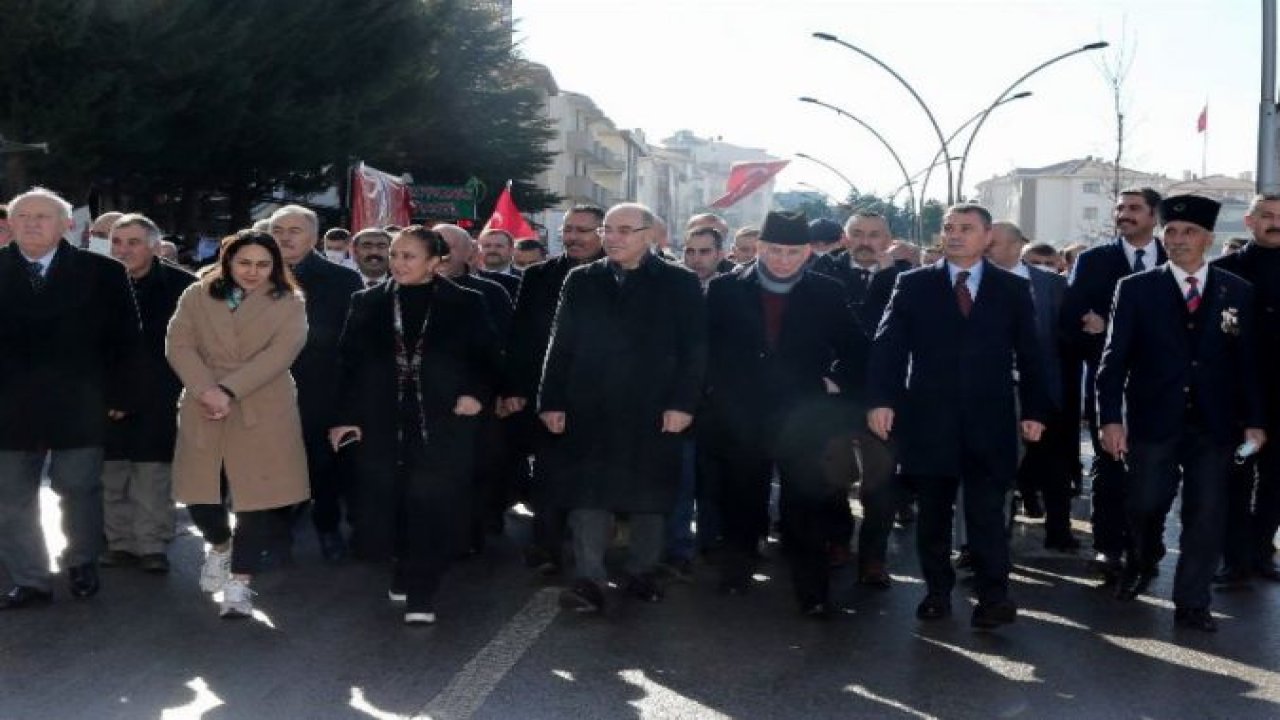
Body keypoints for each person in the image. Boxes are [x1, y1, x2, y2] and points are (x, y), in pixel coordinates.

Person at [867, 203, 1048, 630]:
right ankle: (937, 592)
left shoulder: (1011, 289)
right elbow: (888, 346)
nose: (954, 235)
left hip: (992, 419)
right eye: (949, 228)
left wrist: (1036, 410)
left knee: (988, 512)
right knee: (934, 513)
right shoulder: (913, 285)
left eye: (966, 228)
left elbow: (1032, 354)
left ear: (987, 237)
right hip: (930, 418)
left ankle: (993, 596)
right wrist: (880, 400)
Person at [1096, 195, 1264, 632]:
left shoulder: (1236, 291)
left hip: (1215, 424)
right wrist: (1110, 418)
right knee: (1145, 502)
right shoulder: (1135, 289)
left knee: (1207, 513)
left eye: (1189, 232)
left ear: (1208, 239)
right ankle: (1143, 553)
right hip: (1154, 419)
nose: (1179, 239)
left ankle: (1192, 602)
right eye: (1171, 231)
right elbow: (1114, 359)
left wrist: (1255, 420)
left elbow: (1248, 362)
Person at [540, 202, 706, 613]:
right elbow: (561, 343)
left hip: (654, 407)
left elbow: (695, 351)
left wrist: (684, 403)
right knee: (588, 495)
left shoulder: (679, 283)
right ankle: (588, 579)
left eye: (624, 230)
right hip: (589, 405)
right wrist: (551, 400)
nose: (612, 238)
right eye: (607, 230)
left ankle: (642, 572)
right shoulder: (582, 280)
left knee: (649, 495)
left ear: (651, 235)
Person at [330, 226, 499, 625]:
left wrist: (475, 393)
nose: (398, 263)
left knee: (430, 504)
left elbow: (488, 357)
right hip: (382, 421)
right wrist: (344, 418)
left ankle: (422, 589)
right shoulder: (367, 301)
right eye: (395, 255)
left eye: (409, 256)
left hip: (443, 421)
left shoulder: (466, 302)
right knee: (389, 504)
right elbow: (347, 365)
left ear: (435, 261)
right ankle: (403, 568)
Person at [703, 210, 866, 615]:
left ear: (807, 252)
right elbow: (701, 347)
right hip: (740, 415)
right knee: (740, 498)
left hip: (803, 418)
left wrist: (837, 382)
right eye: (775, 250)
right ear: (759, 247)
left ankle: (813, 593)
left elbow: (857, 349)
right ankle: (735, 577)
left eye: (793, 252)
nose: (783, 259)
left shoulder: (826, 291)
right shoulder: (725, 289)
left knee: (807, 504)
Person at [0, 187, 141, 610]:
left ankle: (81, 560)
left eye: (43, 216)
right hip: (8, 407)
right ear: (10, 223)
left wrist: (122, 395)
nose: (31, 223)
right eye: (23, 215)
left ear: (67, 225)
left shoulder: (103, 272)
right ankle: (30, 580)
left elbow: (126, 341)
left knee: (78, 488)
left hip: (80, 402)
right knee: (9, 498)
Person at [166, 230, 309, 618]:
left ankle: (240, 583)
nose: (253, 272)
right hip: (203, 400)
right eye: (244, 262)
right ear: (228, 260)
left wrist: (229, 390)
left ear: (275, 267)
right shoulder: (197, 294)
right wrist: (206, 389)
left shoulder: (290, 302)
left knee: (256, 500)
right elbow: (179, 344)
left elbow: (281, 354)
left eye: (263, 265)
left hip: (263, 404)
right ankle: (219, 544)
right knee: (200, 496)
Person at [1062, 187, 1167, 583]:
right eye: (1120, 208)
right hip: (1109, 381)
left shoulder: (1174, 258)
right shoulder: (1094, 261)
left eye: (1135, 208)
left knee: (1156, 468)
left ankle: (1148, 546)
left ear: (1154, 215)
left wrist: (1114, 326)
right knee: (1110, 465)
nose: (1125, 214)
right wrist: (1102, 334)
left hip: (1162, 386)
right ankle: (1108, 547)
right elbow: (1071, 317)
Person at [503, 204, 606, 575]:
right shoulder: (538, 276)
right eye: (569, 229)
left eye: (584, 230)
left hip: (604, 398)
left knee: (596, 478)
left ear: (604, 232)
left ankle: (593, 553)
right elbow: (519, 337)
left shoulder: (620, 274)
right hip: (549, 393)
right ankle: (546, 547)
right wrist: (512, 387)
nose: (574, 237)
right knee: (549, 474)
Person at [100, 214, 198, 574]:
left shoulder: (184, 286)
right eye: (117, 242)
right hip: (107, 397)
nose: (123, 250)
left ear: (155, 246)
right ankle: (119, 543)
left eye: (133, 242)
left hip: (160, 395)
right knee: (113, 475)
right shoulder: (100, 281)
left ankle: (152, 545)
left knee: (152, 475)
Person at [269, 205, 363, 562]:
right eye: (278, 230)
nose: (285, 237)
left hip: (320, 390)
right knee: (269, 466)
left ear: (313, 236)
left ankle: (327, 528)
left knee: (323, 466)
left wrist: (346, 402)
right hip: (264, 391)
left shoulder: (342, 280)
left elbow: (352, 343)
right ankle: (274, 536)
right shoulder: (252, 276)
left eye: (294, 230)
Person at [987, 222, 1077, 551]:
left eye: (993, 242)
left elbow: (1065, 338)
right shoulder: (975, 281)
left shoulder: (1052, 286)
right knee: (999, 469)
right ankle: (993, 538)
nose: (986, 247)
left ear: (1016, 246)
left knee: (1055, 466)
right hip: (993, 392)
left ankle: (1059, 529)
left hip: (1045, 391)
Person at [1212, 193, 1280, 584]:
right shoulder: (1223, 271)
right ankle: (1234, 558)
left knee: (1275, 482)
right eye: (1266, 216)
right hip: (1235, 398)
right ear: (1250, 222)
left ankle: (1260, 552)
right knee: (1234, 476)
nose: (1274, 223)